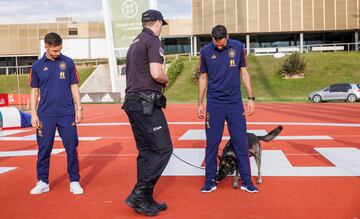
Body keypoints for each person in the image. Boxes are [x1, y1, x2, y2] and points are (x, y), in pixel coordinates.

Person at [123, 9, 173, 217]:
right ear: (158, 23)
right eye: (162, 24)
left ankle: (145, 199)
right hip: (146, 103)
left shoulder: (135, 41)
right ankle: (138, 194)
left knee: (146, 152)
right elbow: (156, 72)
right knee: (163, 149)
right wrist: (165, 78)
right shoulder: (153, 40)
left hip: (132, 101)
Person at [197, 25, 258, 193]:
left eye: (223, 44)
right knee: (212, 144)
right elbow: (203, 77)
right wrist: (200, 103)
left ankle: (247, 181)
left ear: (227, 37)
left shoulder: (238, 47)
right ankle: (210, 180)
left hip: (234, 104)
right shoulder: (205, 51)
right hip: (214, 105)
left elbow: (244, 73)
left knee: (240, 143)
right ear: (212, 38)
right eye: (217, 45)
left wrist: (251, 98)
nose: (220, 47)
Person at [29, 32, 84, 195]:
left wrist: (78, 108)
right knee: (44, 149)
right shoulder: (37, 66)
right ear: (46, 47)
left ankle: (74, 181)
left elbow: (74, 86)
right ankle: (43, 181)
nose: (57, 53)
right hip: (45, 114)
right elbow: (34, 91)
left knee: (71, 147)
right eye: (54, 50)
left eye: (59, 50)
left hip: (66, 113)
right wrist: (33, 114)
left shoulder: (67, 62)